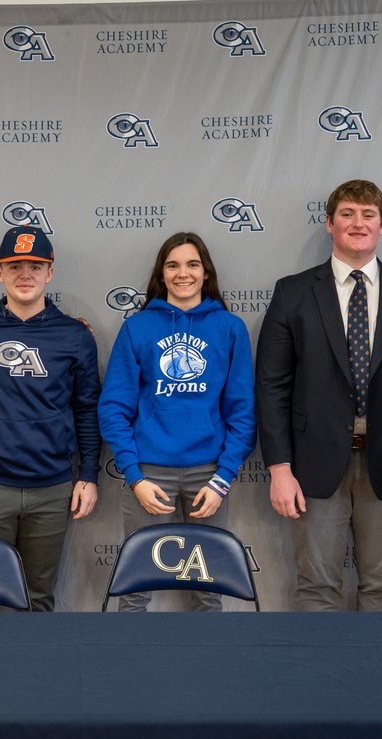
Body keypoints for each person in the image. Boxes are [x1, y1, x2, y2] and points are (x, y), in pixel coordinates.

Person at [256, 179, 382, 612]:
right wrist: (279, 469)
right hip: (312, 466)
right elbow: (271, 385)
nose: (358, 223)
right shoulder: (293, 292)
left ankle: (378, 679)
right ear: (329, 224)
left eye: (368, 215)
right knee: (316, 587)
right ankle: (321, 680)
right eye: (348, 214)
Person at [0, 225, 100, 611]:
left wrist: (90, 475)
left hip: (52, 487)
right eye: (14, 266)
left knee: (37, 599)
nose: (24, 275)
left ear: (50, 273)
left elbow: (86, 408)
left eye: (35, 266)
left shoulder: (74, 336)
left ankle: (35, 672)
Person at [97, 231, 256, 611]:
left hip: (209, 474)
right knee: (134, 587)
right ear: (161, 273)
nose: (182, 273)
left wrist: (222, 479)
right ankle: (129, 668)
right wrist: (134, 477)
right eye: (173, 265)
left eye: (192, 264)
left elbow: (242, 411)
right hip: (150, 475)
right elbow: (113, 407)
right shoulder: (138, 327)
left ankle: (208, 667)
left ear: (205, 272)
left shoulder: (230, 328)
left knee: (208, 587)